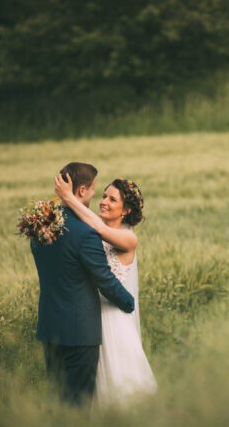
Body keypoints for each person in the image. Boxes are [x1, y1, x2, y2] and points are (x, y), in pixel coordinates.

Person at [31, 162, 135, 407]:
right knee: (78, 406)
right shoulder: (85, 233)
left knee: (58, 402)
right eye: (94, 190)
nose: (97, 198)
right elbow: (104, 278)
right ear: (81, 191)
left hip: (50, 327)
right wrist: (129, 302)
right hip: (80, 333)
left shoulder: (41, 226)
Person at [55, 171, 157, 407]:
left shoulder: (129, 239)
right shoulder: (90, 232)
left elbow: (100, 230)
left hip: (114, 321)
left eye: (112, 199)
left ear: (126, 210)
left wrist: (69, 198)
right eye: (103, 195)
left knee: (119, 390)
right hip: (89, 319)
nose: (103, 201)